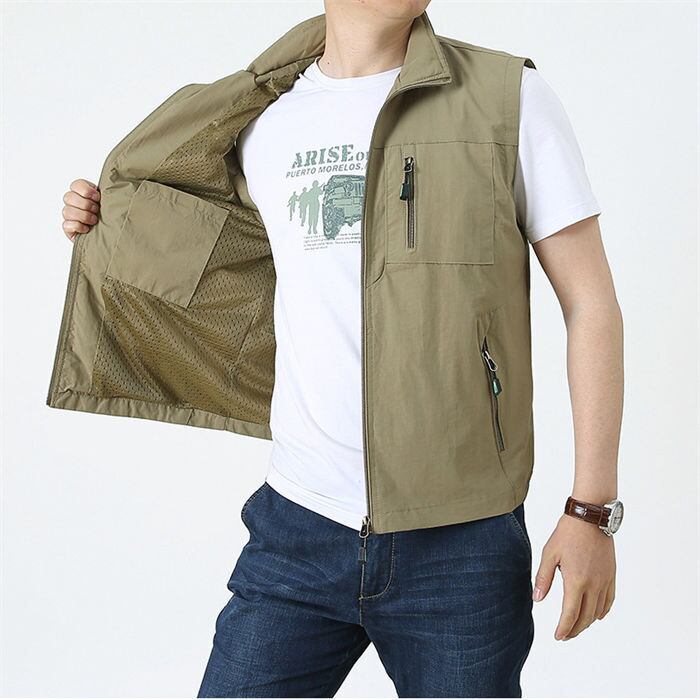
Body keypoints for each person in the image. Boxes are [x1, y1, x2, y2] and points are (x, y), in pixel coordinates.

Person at [56, 0, 623, 696]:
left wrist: (592, 510)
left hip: (463, 543)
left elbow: (591, 304)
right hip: (296, 526)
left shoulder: (510, 99)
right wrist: (106, 216)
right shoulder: (262, 117)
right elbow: (204, 249)